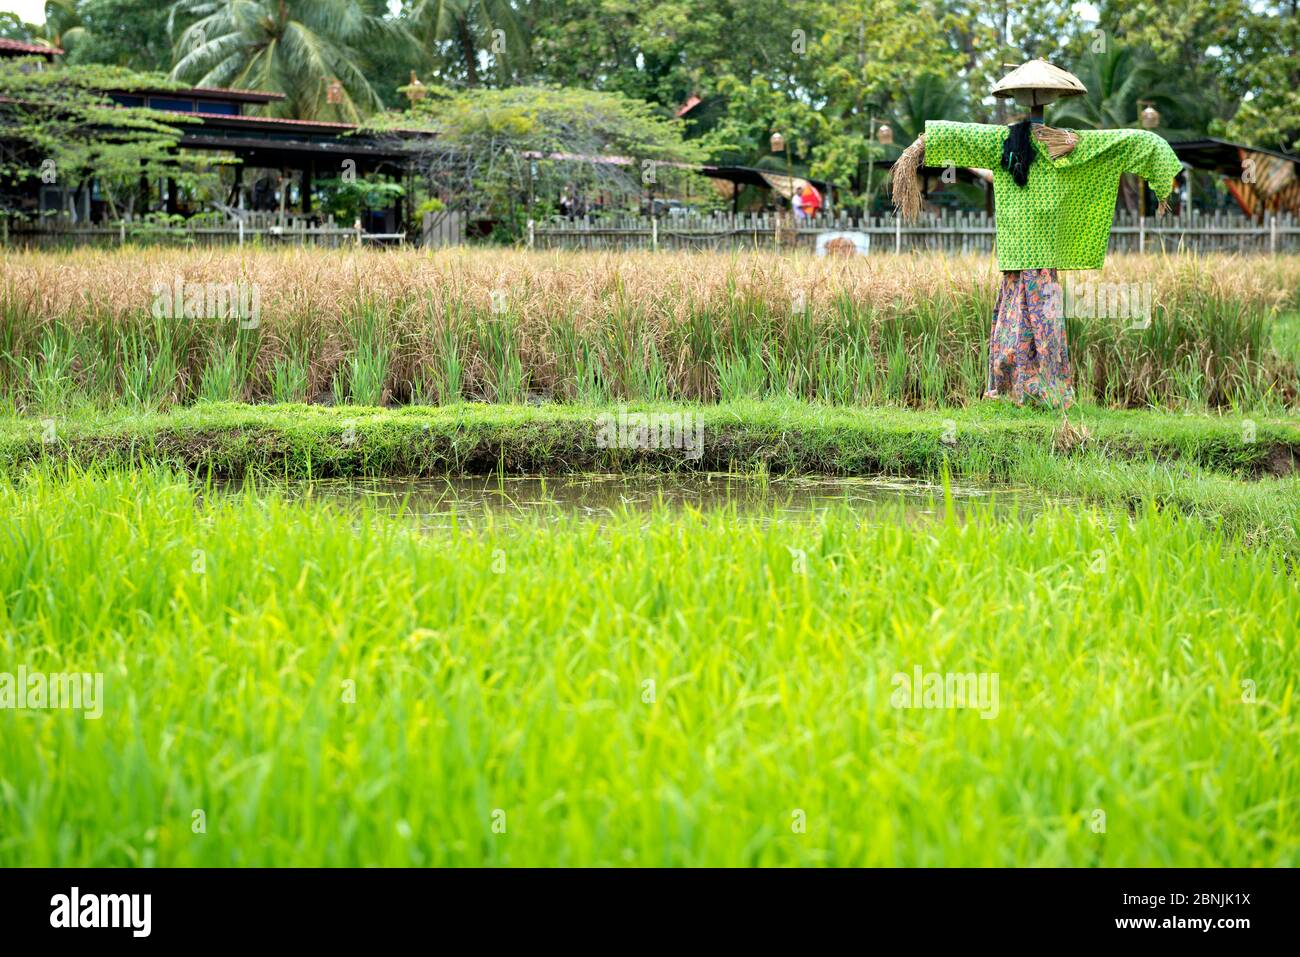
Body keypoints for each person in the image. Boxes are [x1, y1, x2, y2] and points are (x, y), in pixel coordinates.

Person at [891, 59, 1182, 409]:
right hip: (1022, 254)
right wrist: (912, 156)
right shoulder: (1020, 142)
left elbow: (1129, 143)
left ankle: (1033, 393)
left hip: (1036, 254)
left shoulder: (1064, 142)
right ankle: (1021, 392)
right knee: (1029, 322)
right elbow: (1132, 142)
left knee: (1033, 322)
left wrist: (913, 153)